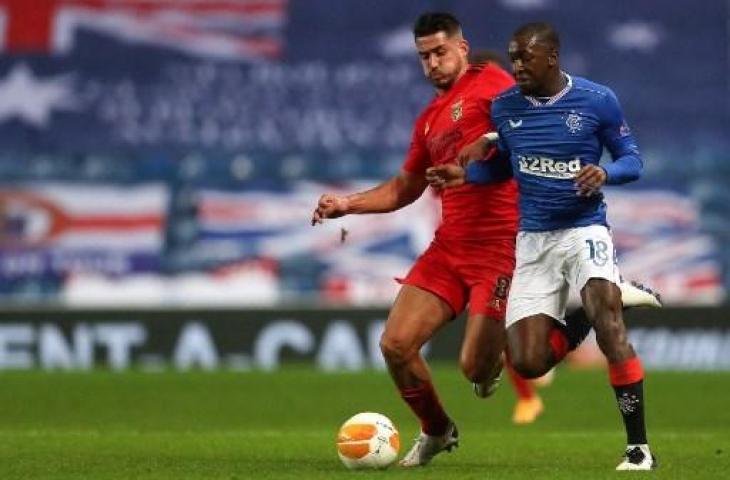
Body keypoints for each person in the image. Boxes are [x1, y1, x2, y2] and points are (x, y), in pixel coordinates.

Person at [426, 22, 657, 470]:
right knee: (528, 362)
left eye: (524, 58)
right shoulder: (505, 107)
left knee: (611, 330)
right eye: (512, 58)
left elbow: (633, 159)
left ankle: (638, 448)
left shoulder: (597, 100)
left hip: (584, 230)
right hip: (533, 242)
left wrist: (607, 173)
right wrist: (466, 175)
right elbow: (504, 168)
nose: (516, 66)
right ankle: (579, 320)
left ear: (551, 56)